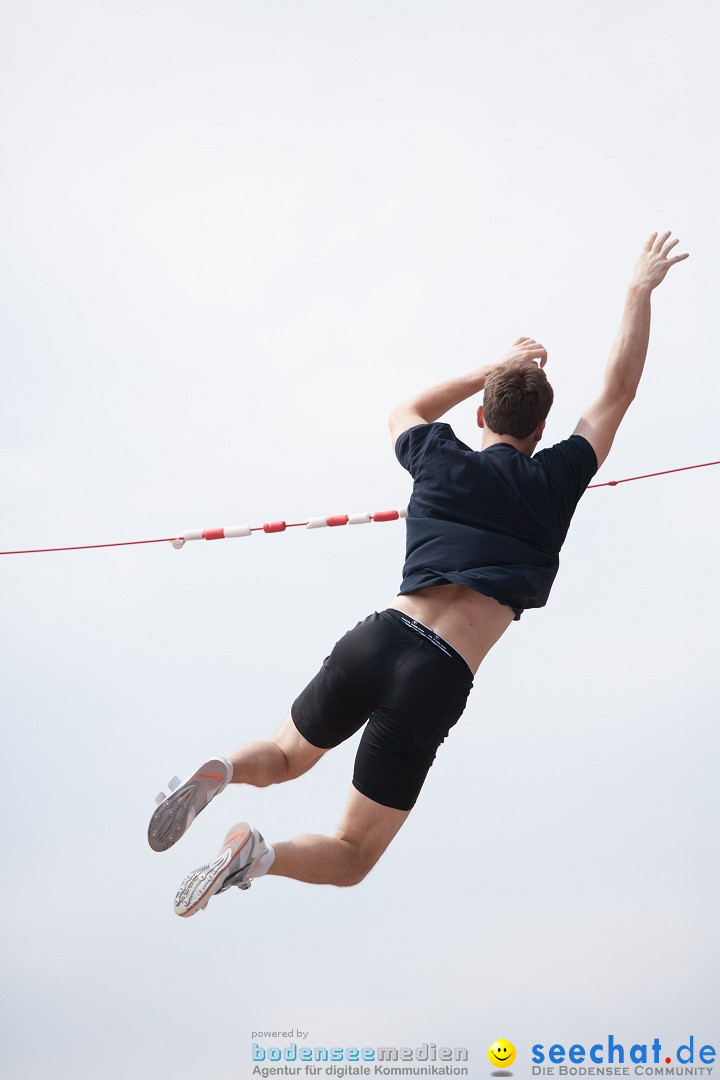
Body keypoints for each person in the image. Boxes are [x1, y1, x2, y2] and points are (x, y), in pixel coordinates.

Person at [149, 231, 689, 917]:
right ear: (544, 426)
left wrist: (495, 365)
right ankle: (262, 856)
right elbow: (618, 390)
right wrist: (639, 289)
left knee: (283, 757)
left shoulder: (441, 455)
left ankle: (222, 771)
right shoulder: (556, 478)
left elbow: (404, 411)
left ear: (481, 415)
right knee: (352, 855)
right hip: (437, 672)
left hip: (380, 634)